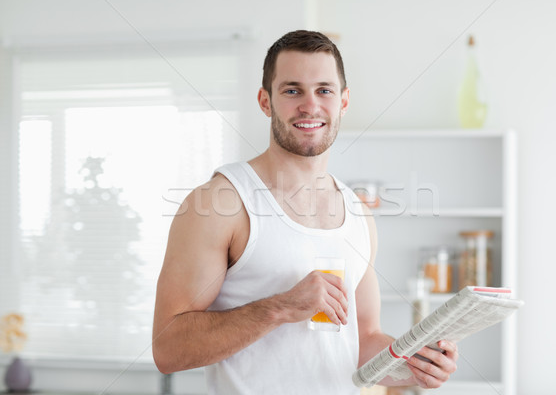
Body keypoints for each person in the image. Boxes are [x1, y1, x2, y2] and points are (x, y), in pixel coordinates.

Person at [152, 30, 458, 394]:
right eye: (292, 90)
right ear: (265, 101)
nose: (310, 106)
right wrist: (279, 308)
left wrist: (416, 363)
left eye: (324, 90)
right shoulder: (220, 203)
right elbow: (167, 349)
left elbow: (363, 343)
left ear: (343, 102)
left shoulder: (358, 215)